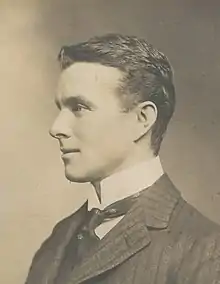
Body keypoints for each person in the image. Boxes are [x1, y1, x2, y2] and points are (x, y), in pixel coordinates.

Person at [25, 34, 220, 284]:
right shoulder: (56, 242)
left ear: (142, 119)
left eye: (79, 108)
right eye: (60, 109)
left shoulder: (206, 252)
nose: (56, 127)